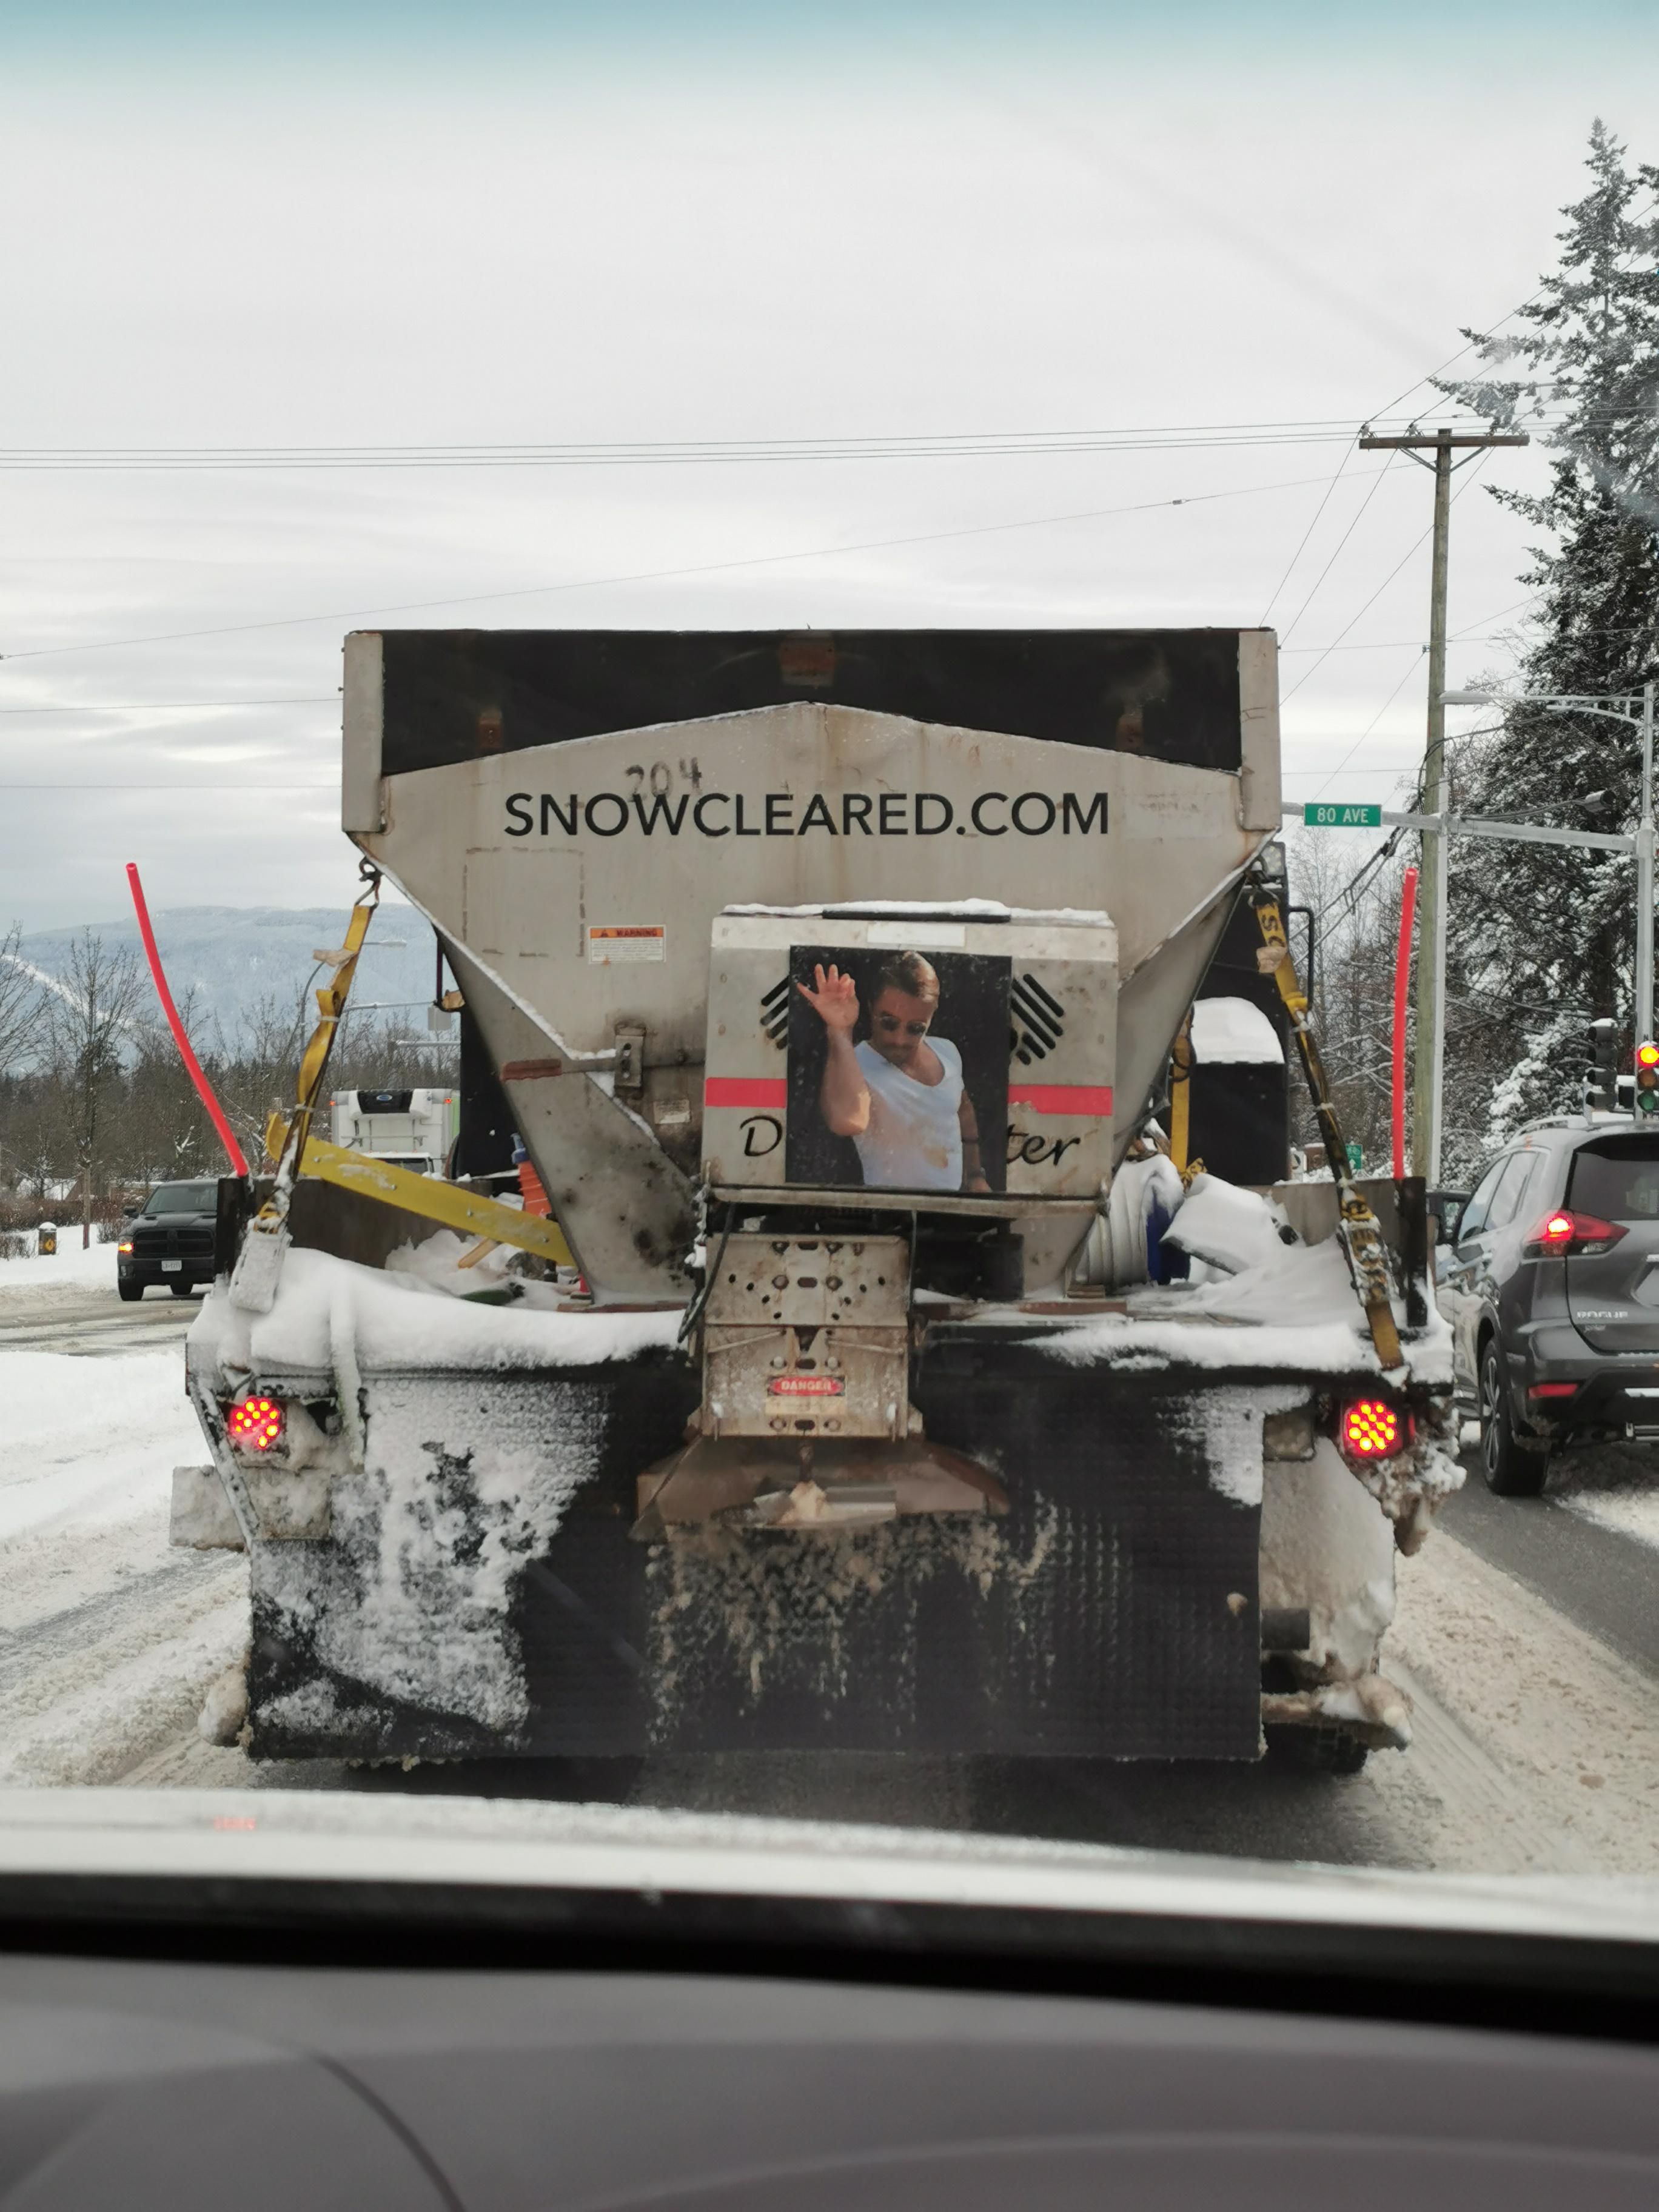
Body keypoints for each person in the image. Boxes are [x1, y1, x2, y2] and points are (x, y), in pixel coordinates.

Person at [796, 950, 990, 1193]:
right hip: (891, 1215)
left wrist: (974, 1175)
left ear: (932, 1015)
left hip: (951, 1216)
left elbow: (962, 1110)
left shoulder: (946, 1051)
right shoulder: (855, 1063)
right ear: (871, 1009)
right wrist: (840, 1030)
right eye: (888, 1023)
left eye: (916, 1028)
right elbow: (847, 1122)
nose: (899, 1039)